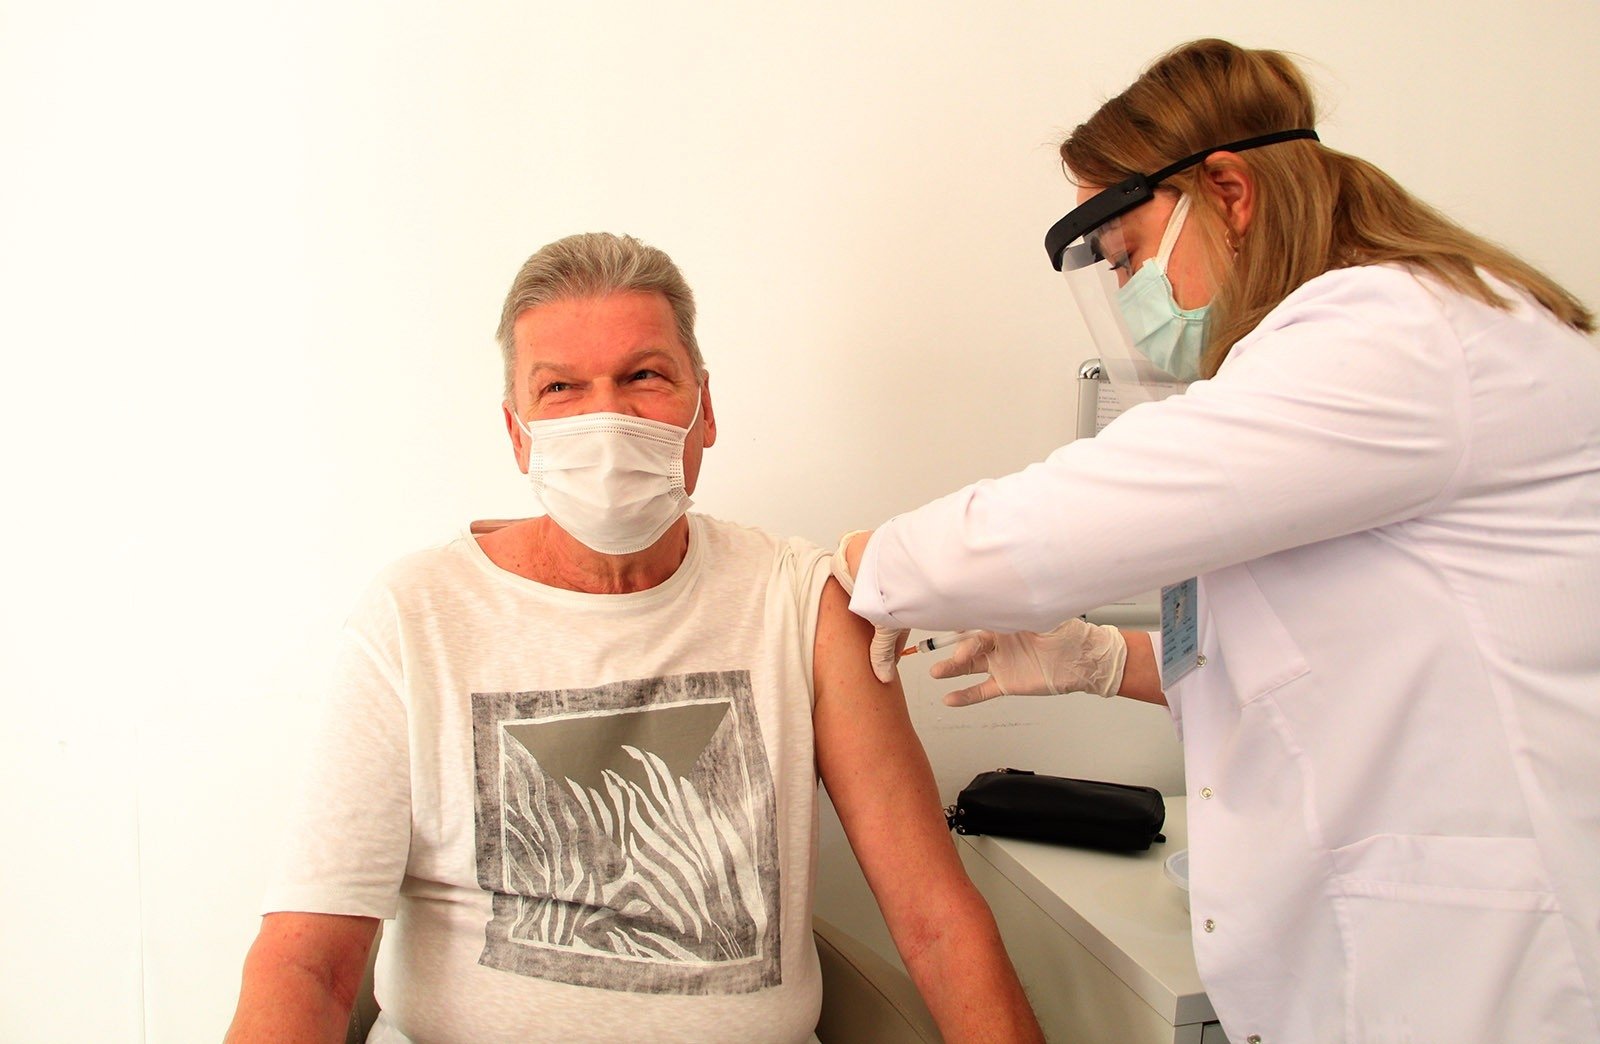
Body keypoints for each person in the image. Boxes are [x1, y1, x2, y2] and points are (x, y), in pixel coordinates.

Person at [834, 38, 1600, 1043]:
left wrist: (865, 561)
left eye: (1131, 254)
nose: (1131, 295)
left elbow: (1077, 518)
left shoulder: (1390, 332)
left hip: (1487, 967)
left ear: (1229, 191)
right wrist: (1101, 660)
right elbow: (1329, 662)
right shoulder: (1352, 358)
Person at [225, 233, 1041, 1044]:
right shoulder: (415, 617)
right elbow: (308, 963)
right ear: (517, 434)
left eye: (644, 376)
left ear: (705, 407)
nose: (607, 418)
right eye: (562, 389)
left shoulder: (801, 602)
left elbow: (938, 924)